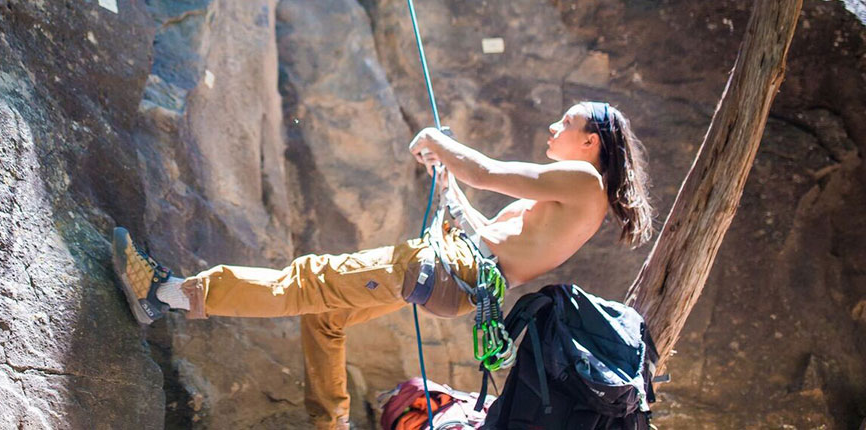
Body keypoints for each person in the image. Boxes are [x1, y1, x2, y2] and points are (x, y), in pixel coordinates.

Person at [112, 101, 654, 430]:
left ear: (590, 142)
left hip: (444, 269)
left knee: (306, 281)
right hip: (457, 276)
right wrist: (448, 182)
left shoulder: (585, 182)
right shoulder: (575, 196)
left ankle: (164, 294)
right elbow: (490, 230)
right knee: (325, 318)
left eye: (567, 122)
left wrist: (439, 140)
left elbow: (487, 171)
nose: (553, 125)